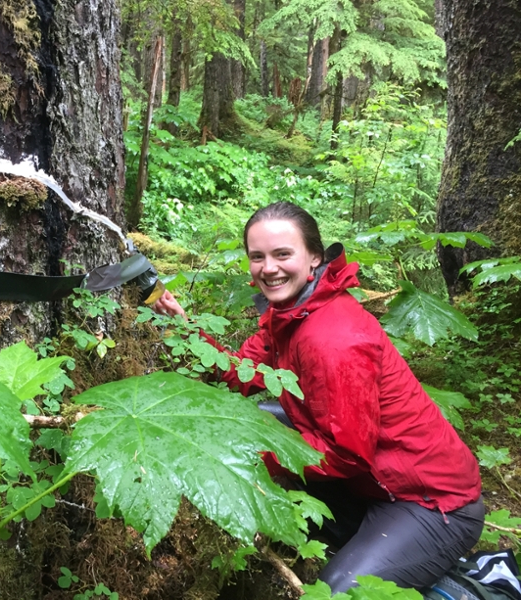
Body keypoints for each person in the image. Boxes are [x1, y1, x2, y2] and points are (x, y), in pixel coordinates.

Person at [154, 201, 484, 594]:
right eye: (257, 257)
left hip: (429, 501)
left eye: (282, 254)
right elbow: (241, 372)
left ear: (313, 257)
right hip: (370, 484)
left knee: (339, 592)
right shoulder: (291, 312)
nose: (268, 268)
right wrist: (183, 324)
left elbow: (348, 453)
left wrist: (248, 458)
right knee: (258, 416)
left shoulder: (333, 338)